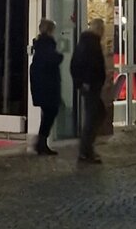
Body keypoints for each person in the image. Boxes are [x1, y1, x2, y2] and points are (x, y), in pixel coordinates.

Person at [70, 17, 106, 164]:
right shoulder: (89, 44)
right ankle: (85, 151)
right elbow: (80, 65)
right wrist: (84, 82)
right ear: (98, 29)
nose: (103, 32)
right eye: (102, 29)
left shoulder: (89, 42)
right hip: (91, 86)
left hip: (92, 85)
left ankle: (87, 148)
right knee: (93, 117)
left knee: (99, 113)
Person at [29, 18, 63, 155]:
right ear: (50, 30)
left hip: (43, 85)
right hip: (47, 86)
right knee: (51, 112)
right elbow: (52, 60)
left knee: (48, 113)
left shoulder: (40, 45)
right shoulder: (47, 44)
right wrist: (59, 56)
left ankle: (41, 142)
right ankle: (41, 142)